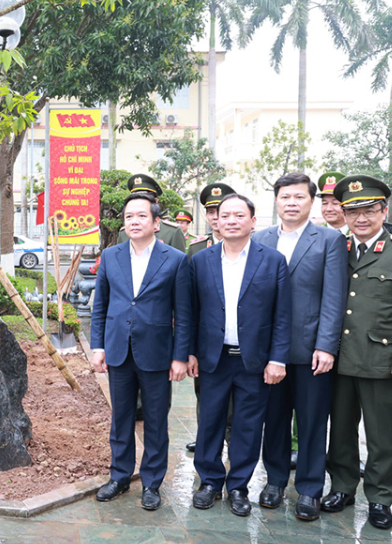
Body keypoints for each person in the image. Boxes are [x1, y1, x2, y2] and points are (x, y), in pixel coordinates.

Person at [322, 175, 392, 530]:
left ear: (383, 210)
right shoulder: (337, 249)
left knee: (381, 436)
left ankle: (379, 498)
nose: (361, 219)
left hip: (382, 361)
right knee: (341, 431)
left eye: (369, 211)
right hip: (339, 358)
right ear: (343, 215)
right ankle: (343, 487)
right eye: (353, 212)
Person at [189, 194, 291, 517]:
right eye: (224, 215)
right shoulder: (200, 261)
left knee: (248, 425)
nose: (230, 220)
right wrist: (190, 352)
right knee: (210, 421)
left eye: (238, 215)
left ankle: (238, 487)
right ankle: (208, 481)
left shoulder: (272, 260)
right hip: (213, 358)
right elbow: (191, 312)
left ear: (252, 221)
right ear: (216, 221)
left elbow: (282, 315)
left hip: (254, 361)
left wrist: (278, 359)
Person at [253, 173, 347, 521]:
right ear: (276, 201)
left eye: (299, 197)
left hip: (311, 351)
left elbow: (334, 297)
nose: (291, 203)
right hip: (269, 354)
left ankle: (309, 488)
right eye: (285, 197)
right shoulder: (260, 238)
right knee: (273, 420)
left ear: (311, 202)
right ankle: (275, 481)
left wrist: (327, 345)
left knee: (311, 422)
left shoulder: (329, 240)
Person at [91, 192, 192, 511]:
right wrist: (98, 346)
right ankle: (120, 476)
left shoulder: (175, 259)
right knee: (120, 419)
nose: (134, 222)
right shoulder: (110, 256)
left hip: (157, 353)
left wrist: (179, 356)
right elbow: (100, 306)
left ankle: (152, 482)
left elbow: (184, 312)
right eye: (129, 217)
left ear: (156, 223)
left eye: (141, 216)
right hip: (119, 350)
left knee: (155, 420)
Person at [185, 182, 236, 453]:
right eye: (212, 212)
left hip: (237, 336)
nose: (217, 217)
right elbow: (189, 299)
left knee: (235, 398)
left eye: (222, 210)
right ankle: (206, 435)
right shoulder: (196, 249)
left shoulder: (250, 246)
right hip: (207, 337)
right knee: (203, 391)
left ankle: (231, 436)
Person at [117, 174, 186, 252]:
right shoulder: (124, 233)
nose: (139, 202)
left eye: (145, 198)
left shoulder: (173, 232)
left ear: (156, 201)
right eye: (135, 198)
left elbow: (178, 261)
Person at [187, 183, 236, 258]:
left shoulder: (241, 245)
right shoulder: (196, 248)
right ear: (206, 216)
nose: (215, 217)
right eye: (211, 212)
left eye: (220, 212)